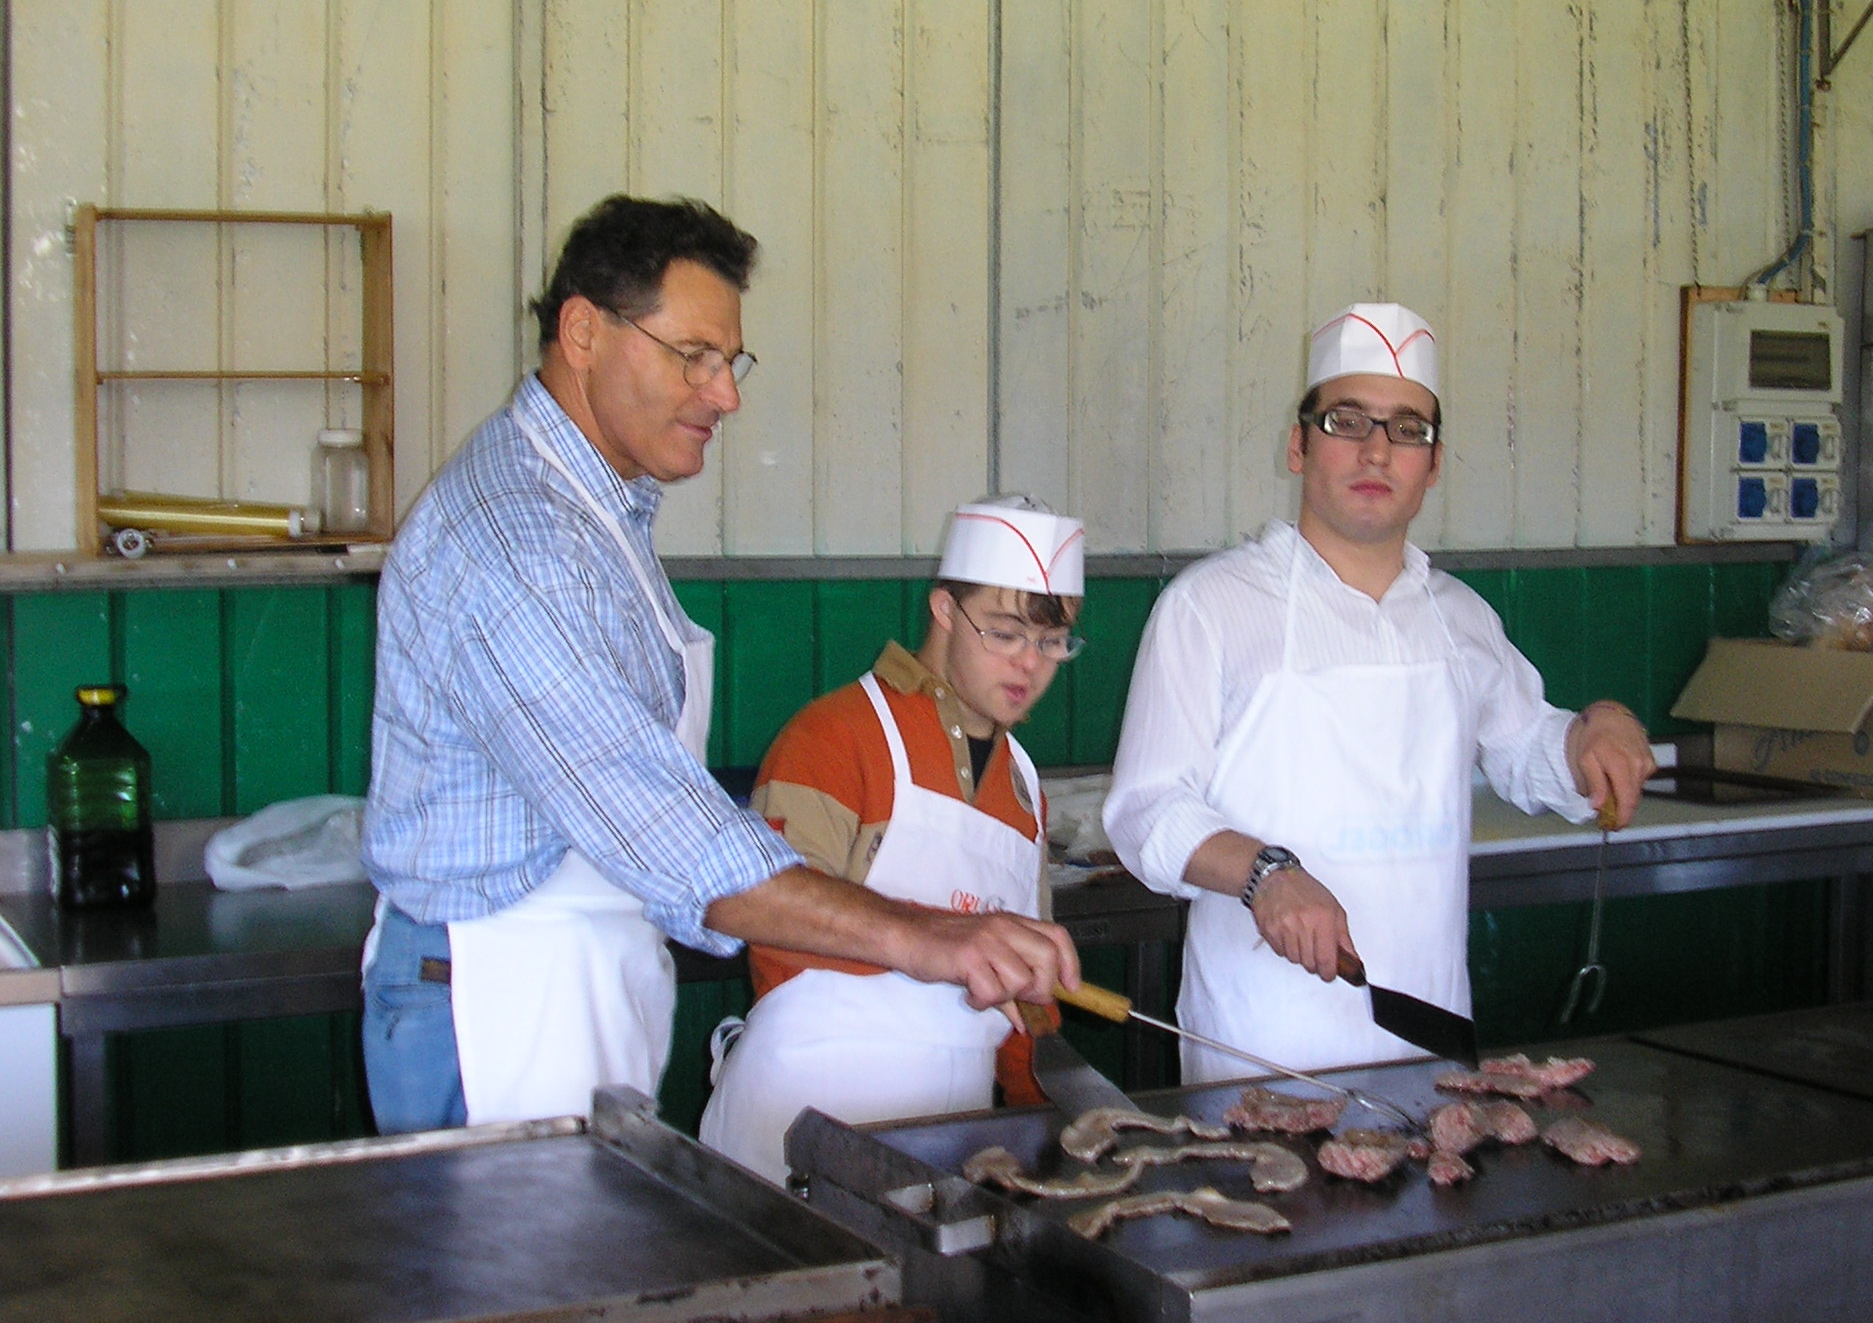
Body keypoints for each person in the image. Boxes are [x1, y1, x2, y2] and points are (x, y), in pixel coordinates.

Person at [359, 195, 1078, 1134]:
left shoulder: (598, 514)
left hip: (575, 981)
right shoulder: (515, 534)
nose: (725, 395)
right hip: (497, 1000)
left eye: (729, 362)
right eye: (692, 355)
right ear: (583, 332)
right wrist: (929, 935)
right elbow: (660, 829)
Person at [1101, 302, 1657, 1082]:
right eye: (1347, 421)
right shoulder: (1211, 605)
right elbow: (1147, 809)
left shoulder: (1459, 617)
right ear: (1298, 445)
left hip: (1427, 1034)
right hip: (1262, 1046)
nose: (1376, 450)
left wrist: (1600, 725)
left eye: (1407, 429)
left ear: (1433, 463)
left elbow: (1531, 747)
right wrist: (1265, 873)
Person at [697, 496, 1085, 1181]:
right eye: (1004, 634)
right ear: (944, 610)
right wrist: (931, 938)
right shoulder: (833, 736)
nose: (1030, 664)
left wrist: (1057, 1121)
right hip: (801, 1123)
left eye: (1052, 642)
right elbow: (758, 911)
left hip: (953, 1140)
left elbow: (1027, 994)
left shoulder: (1024, 787)